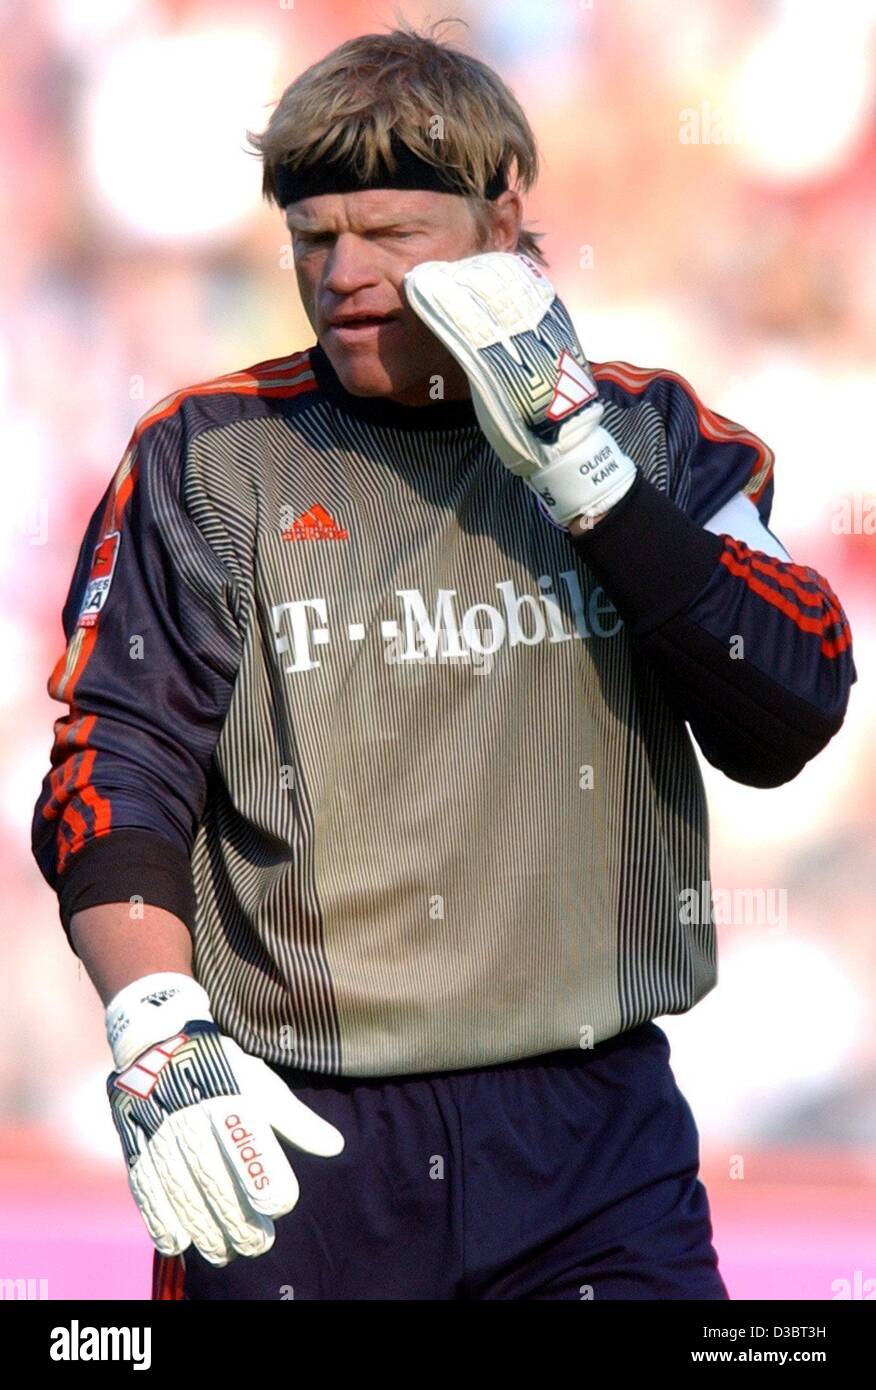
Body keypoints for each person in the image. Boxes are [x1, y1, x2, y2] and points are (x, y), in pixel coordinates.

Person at [32, 21, 856, 1301]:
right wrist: (153, 1022)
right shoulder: (207, 458)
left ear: (500, 214)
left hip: (594, 1143)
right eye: (315, 240)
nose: (345, 272)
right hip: (295, 1141)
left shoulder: (655, 427)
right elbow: (112, 768)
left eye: (391, 235)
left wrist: (589, 476)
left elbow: (792, 706)